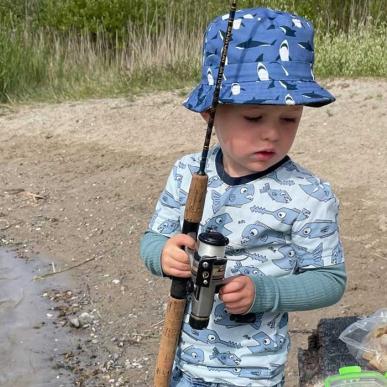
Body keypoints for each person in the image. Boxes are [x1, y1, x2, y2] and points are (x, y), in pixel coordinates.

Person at [140, 7, 346, 387]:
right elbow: (153, 240)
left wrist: (265, 293)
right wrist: (162, 255)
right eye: (254, 118)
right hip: (184, 362)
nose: (272, 134)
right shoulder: (187, 172)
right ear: (210, 112)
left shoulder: (309, 194)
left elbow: (330, 280)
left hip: (257, 373)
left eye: (289, 119)